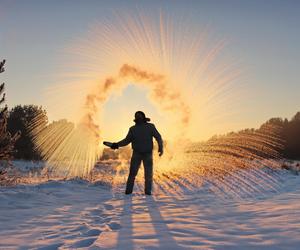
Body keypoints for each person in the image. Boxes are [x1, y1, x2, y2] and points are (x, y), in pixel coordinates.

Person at [109, 111, 163, 195]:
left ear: (143, 117)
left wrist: (161, 147)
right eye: (136, 116)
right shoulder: (132, 129)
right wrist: (116, 144)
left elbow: (158, 137)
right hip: (136, 154)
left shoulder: (150, 126)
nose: (138, 117)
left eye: (140, 115)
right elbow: (126, 141)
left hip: (147, 154)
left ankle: (148, 193)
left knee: (148, 175)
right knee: (132, 174)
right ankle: (128, 193)